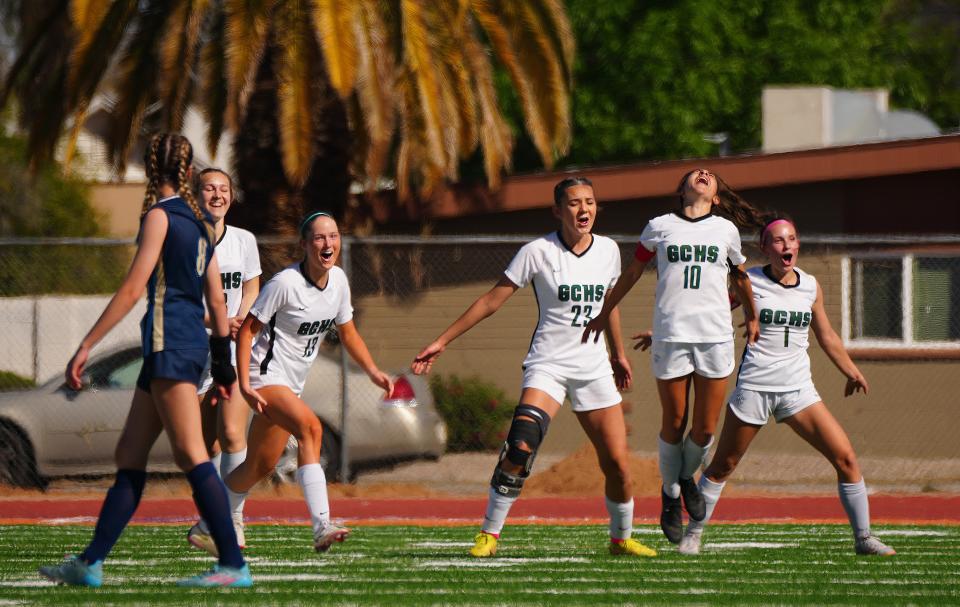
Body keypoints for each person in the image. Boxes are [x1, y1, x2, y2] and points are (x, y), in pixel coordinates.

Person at [39, 133, 252, 587]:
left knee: (192, 455)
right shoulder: (200, 222)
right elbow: (217, 301)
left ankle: (233, 565)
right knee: (129, 454)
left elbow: (134, 288)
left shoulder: (161, 216)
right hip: (180, 347)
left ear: (152, 169)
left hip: (169, 343)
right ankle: (89, 563)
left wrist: (86, 345)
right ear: (190, 172)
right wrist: (222, 364)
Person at [413, 177, 657, 559]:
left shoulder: (608, 250)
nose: (584, 210)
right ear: (558, 210)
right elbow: (493, 299)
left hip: (592, 368)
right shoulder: (537, 251)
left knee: (618, 465)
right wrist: (442, 341)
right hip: (549, 365)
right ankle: (489, 535)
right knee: (521, 445)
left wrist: (618, 353)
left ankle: (621, 538)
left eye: (590, 202)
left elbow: (611, 302)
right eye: (574, 203)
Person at [672, 216, 895, 556]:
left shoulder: (810, 285)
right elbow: (707, 311)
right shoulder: (748, 281)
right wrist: (664, 332)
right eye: (777, 240)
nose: (786, 245)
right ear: (764, 248)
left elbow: (827, 336)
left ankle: (864, 539)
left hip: (798, 389)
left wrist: (850, 370)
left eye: (791, 238)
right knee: (722, 466)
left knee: (846, 457)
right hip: (755, 387)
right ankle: (692, 536)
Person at [188, 211, 392, 556]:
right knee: (311, 428)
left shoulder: (339, 281)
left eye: (333, 236)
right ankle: (321, 525)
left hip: (289, 383)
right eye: (319, 237)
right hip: (263, 377)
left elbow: (348, 331)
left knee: (259, 465)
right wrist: (246, 385)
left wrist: (372, 371)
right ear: (304, 245)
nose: (328, 243)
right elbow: (247, 331)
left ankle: (207, 523)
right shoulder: (285, 283)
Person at [583, 168, 761, 544]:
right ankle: (670, 492)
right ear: (681, 190)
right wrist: (603, 312)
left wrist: (753, 315)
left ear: (715, 197)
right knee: (675, 420)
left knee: (705, 429)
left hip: (714, 336)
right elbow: (632, 272)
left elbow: (740, 276)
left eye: (709, 176)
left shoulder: (725, 230)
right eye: (695, 174)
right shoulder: (660, 226)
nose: (702, 174)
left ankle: (683, 478)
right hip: (672, 334)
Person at [186, 168, 261, 554]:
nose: (217, 195)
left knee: (233, 434)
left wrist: (239, 321)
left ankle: (232, 519)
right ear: (196, 193)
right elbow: (179, 297)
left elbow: (251, 286)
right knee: (205, 444)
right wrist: (214, 320)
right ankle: (209, 516)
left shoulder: (244, 240)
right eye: (209, 188)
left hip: (232, 347)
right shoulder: (184, 238)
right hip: (194, 348)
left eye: (224, 189)